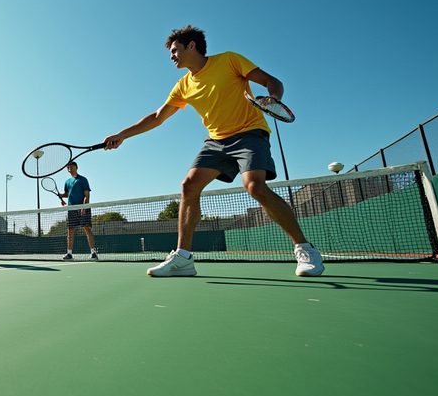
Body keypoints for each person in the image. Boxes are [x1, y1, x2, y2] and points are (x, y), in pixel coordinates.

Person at [104, 25, 324, 277]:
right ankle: (183, 258)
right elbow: (156, 117)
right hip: (216, 141)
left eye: (175, 50)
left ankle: (305, 250)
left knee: (255, 186)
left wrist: (273, 97)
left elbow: (272, 81)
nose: (171, 56)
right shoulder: (183, 85)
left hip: (249, 132)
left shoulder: (229, 60)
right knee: (189, 185)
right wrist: (122, 135)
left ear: (192, 46)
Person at [60, 161, 98, 261]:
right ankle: (69, 254)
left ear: (76, 167)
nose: (69, 168)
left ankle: (93, 252)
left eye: (71, 166)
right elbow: (68, 194)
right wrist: (61, 196)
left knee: (87, 228)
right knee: (70, 230)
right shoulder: (67, 182)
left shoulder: (83, 180)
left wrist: (84, 207)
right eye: (67, 167)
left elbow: (87, 195)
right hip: (71, 209)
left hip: (83, 207)